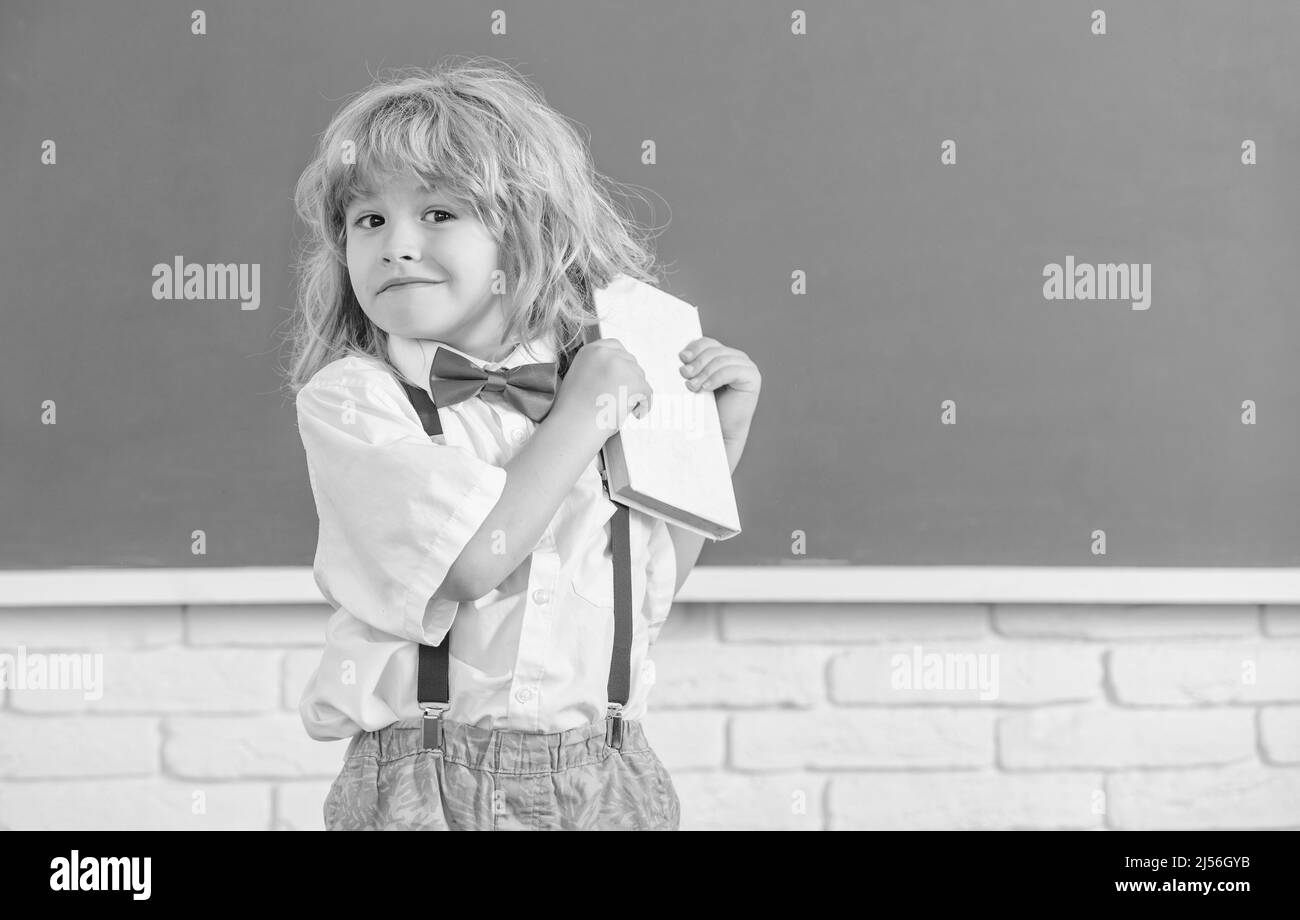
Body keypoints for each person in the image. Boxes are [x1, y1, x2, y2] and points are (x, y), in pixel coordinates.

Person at [283, 57, 761, 830]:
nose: (396, 245)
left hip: (609, 778)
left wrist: (717, 438)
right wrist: (583, 415)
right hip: (428, 783)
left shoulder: (599, 378)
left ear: (528, 231)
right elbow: (472, 560)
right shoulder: (357, 398)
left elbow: (650, 586)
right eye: (369, 220)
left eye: (439, 213)